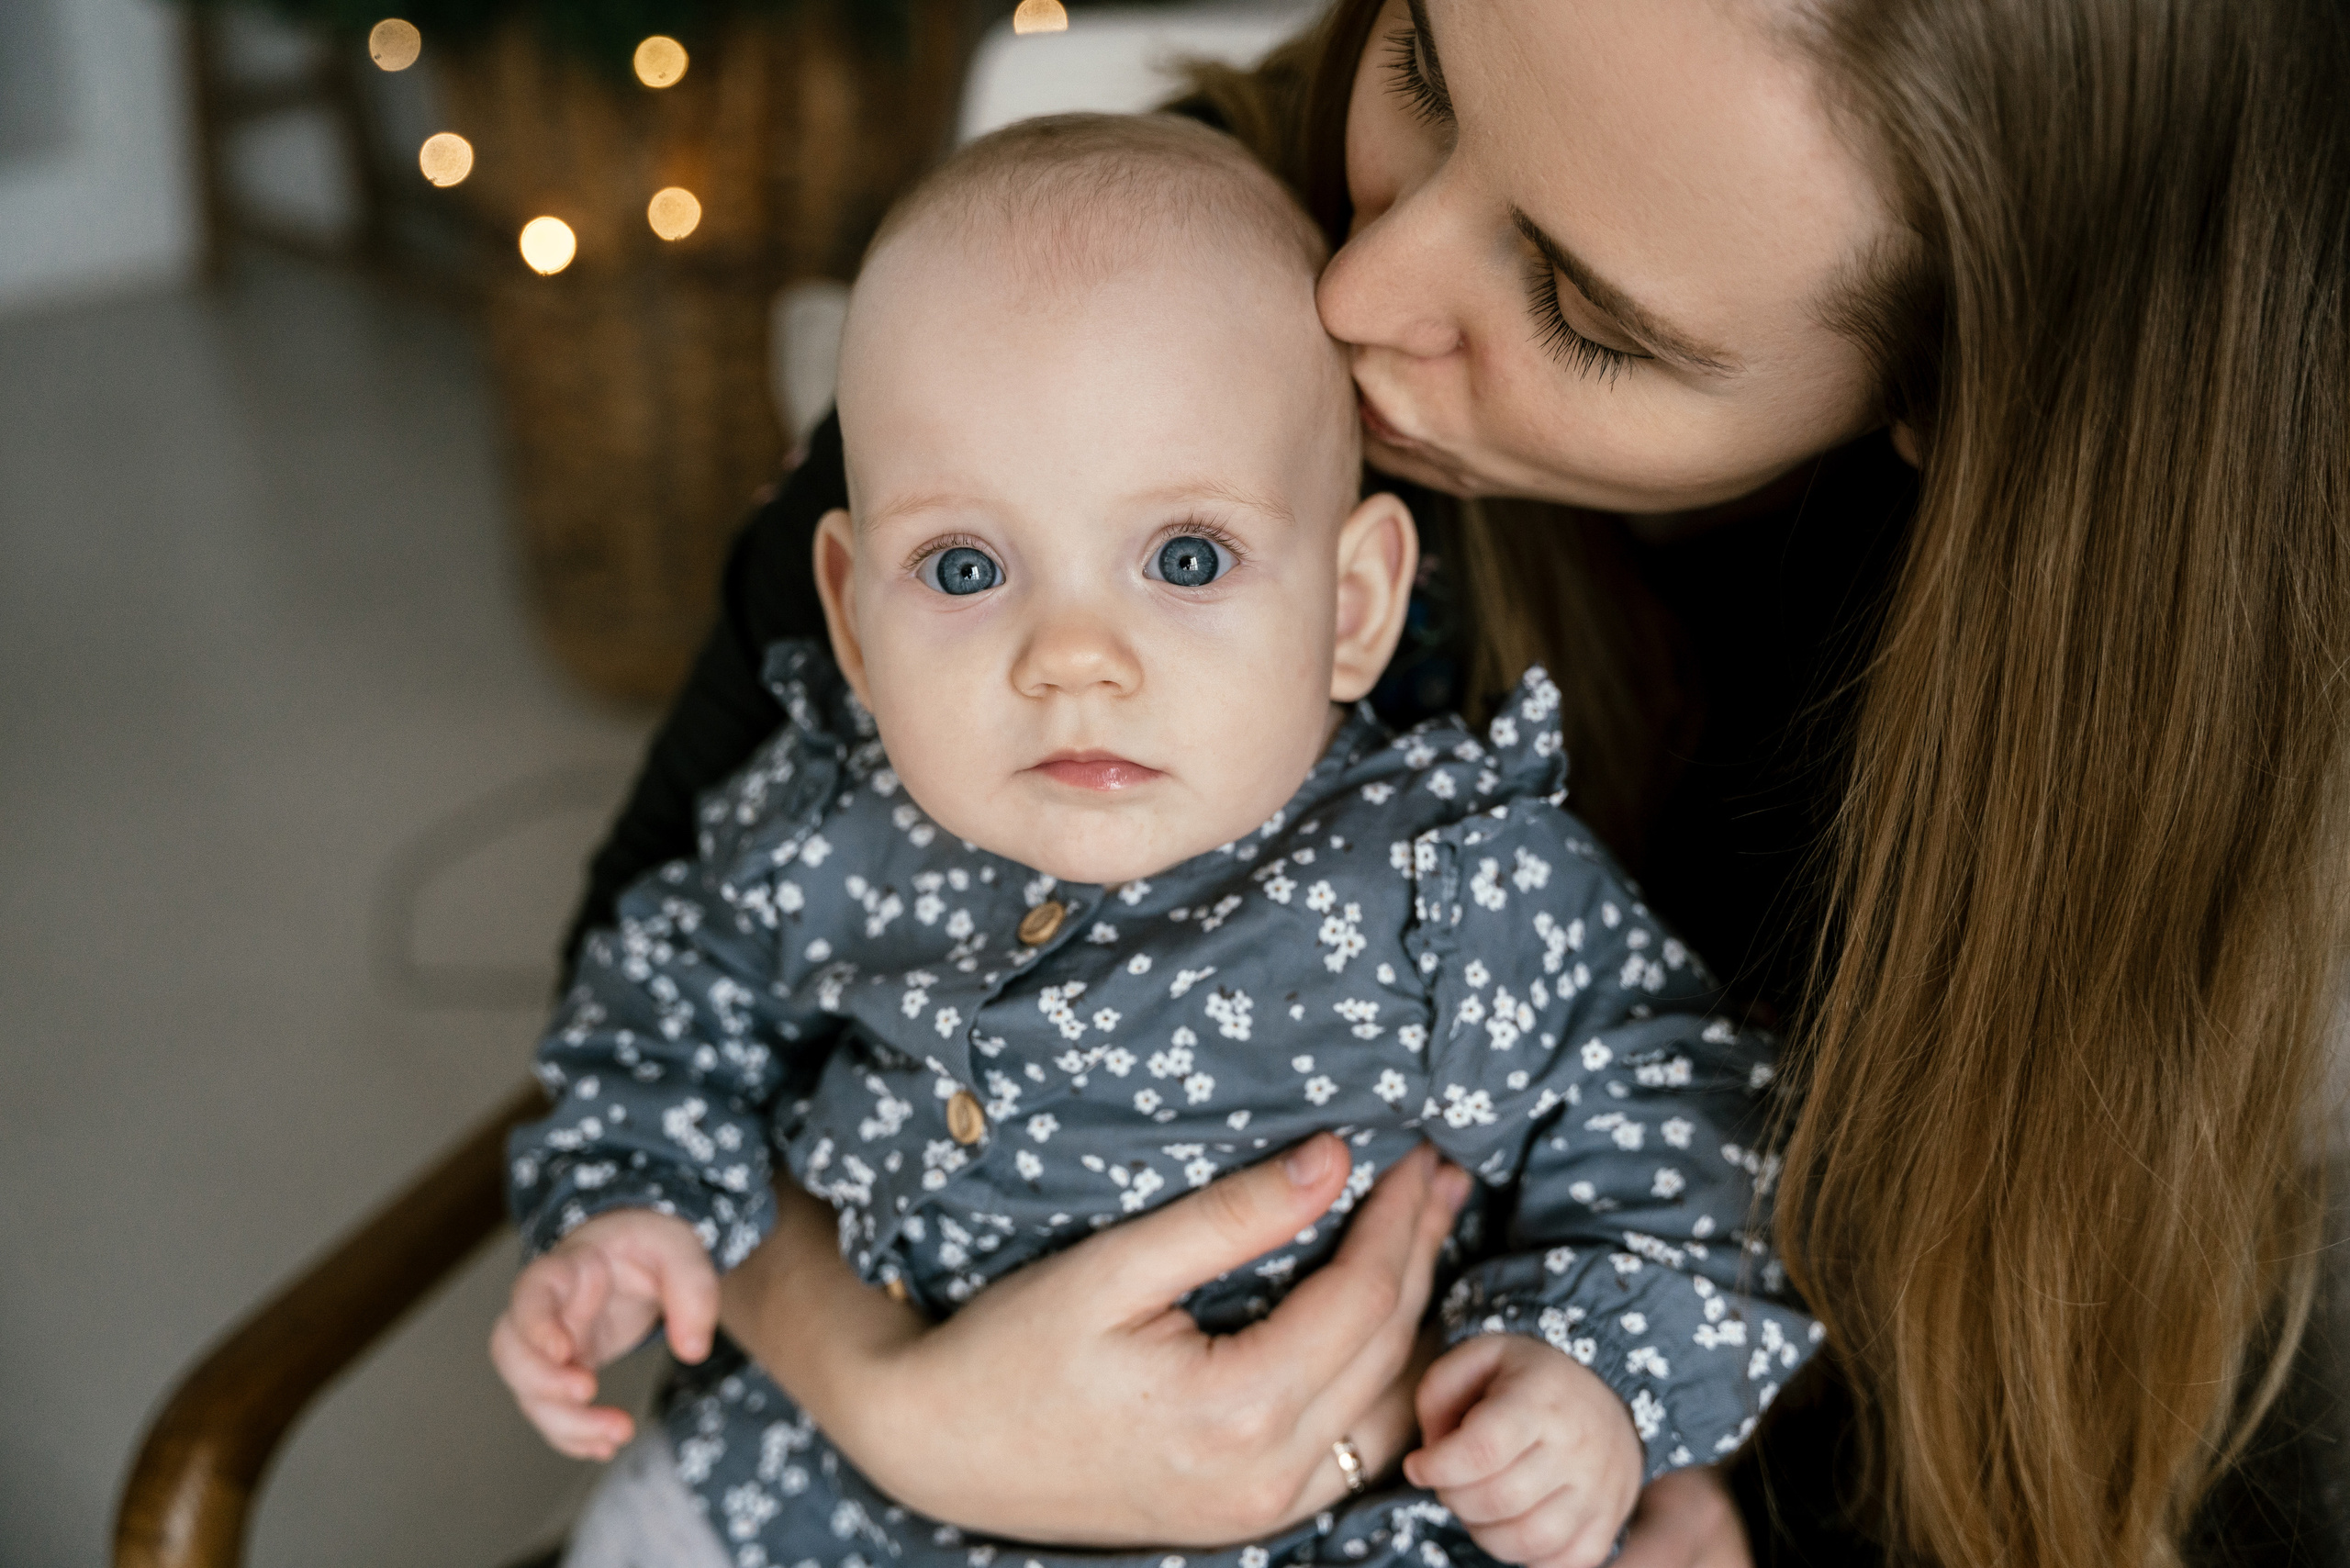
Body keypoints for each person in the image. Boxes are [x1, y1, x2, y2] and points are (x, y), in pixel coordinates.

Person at [554, 2, 2350, 1565]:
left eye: (1580, 305)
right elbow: (645, 969)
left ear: (1944, 396)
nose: (1355, 285)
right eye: (1423, 63)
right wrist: (904, 1409)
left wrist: (1609, 1419)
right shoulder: (1069, 292)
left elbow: (1712, 1201)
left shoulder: (1473, 881)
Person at [496, 111, 1818, 1568]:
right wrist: (632, 1201)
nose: (1074, 655)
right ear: (854, 619)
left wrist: (1594, 1376)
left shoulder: (1456, 882)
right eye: (964, 566)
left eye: (1185, 558)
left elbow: (1686, 1124)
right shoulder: (827, 825)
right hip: (816, 1506)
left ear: (1355, 604)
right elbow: (654, 996)